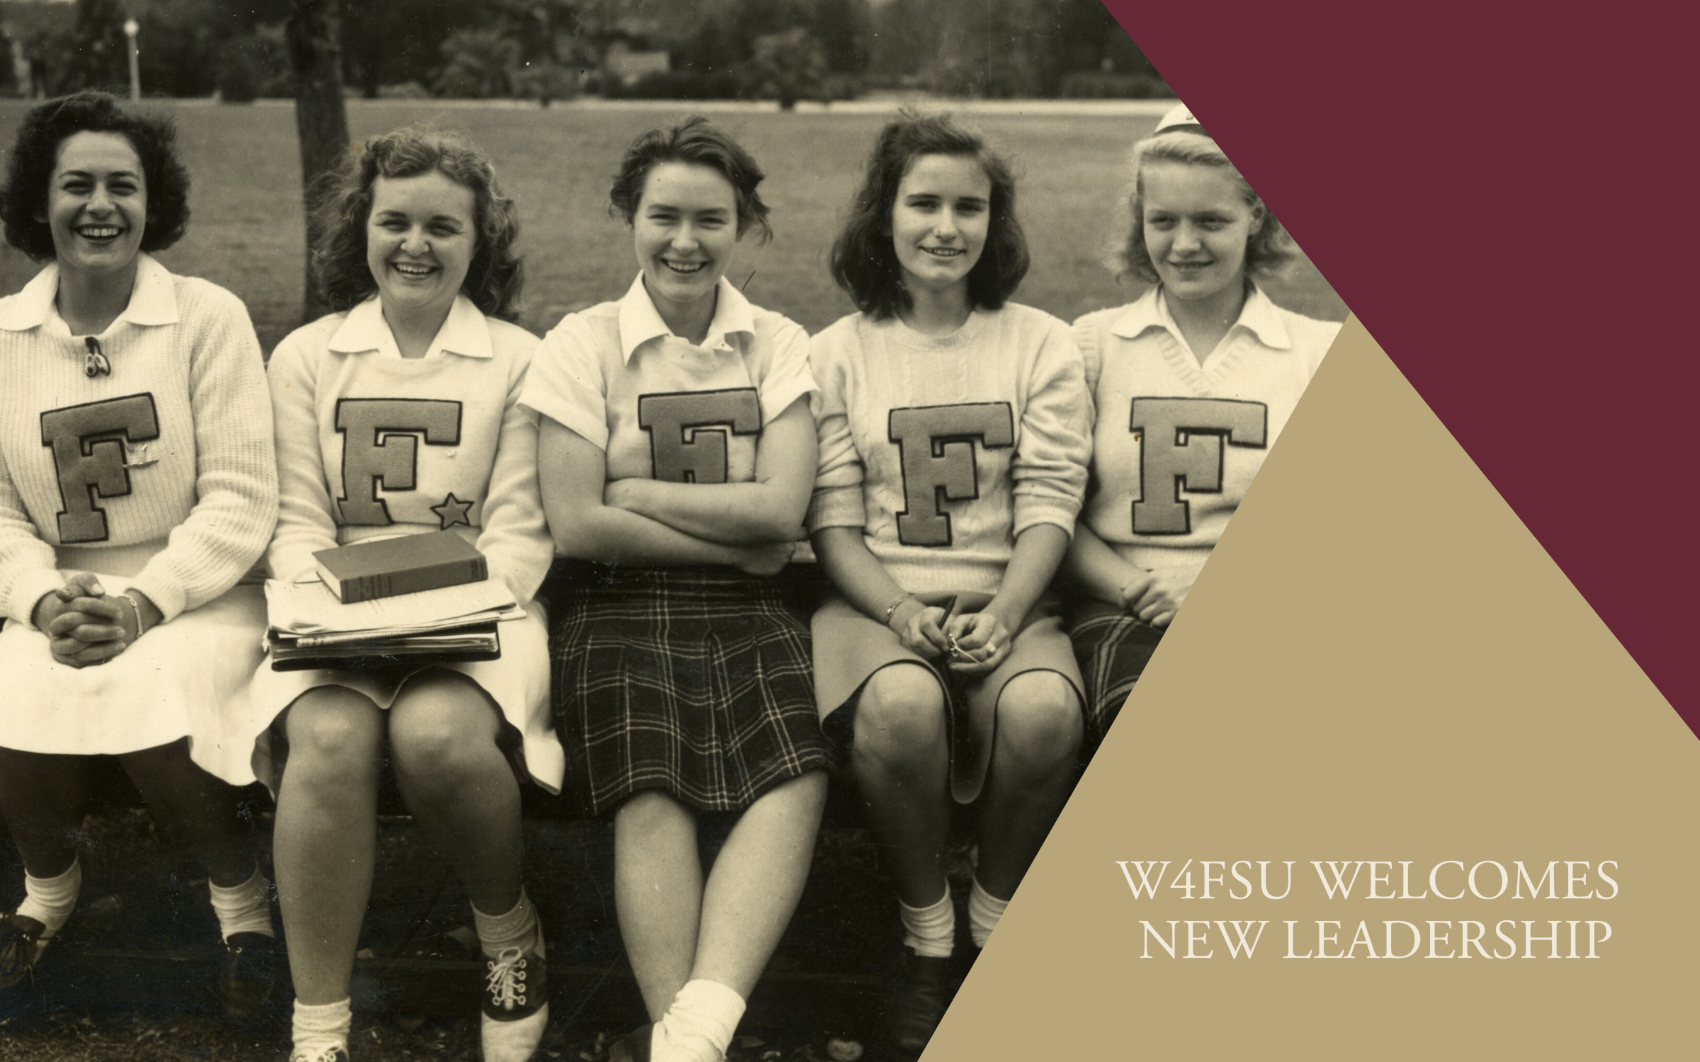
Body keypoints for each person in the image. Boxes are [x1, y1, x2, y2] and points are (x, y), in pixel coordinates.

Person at [239, 130, 560, 1062]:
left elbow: (516, 534)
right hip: (333, 624)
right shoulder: (306, 357)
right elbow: (296, 527)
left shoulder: (520, 359)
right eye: (395, 222)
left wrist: (434, 611)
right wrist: (342, 615)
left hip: (477, 619)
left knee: (437, 738)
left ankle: (510, 935)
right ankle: (320, 1027)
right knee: (330, 741)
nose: (416, 245)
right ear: (360, 229)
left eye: (442, 227)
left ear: (480, 242)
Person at [522, 116, 826, 1062]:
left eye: (711, 220)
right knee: (650, 787)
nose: (685, 242)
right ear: (628, 217)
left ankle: (692, 1034)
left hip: (752, 607)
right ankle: (685, 1045)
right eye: (663, 217)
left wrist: (640, 491)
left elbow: (784, 509)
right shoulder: (581, 342)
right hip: (614, 602)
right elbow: (578, 525)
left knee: (797, 774)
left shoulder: (777, 342)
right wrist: (731, 545)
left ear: (745, 227)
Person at [808, 112, 1090, 1061]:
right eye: (922, 201)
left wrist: (1009, 612)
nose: (945, 225)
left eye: (969, 206)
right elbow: (834, 524)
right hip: (878, 603)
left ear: (994, 221)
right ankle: (926, 939)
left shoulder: (1039, 343)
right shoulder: (839, 351)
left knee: (1048, 713)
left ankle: (995, 918)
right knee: (898, 708)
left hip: (1009, 600)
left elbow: (1052, 497)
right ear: (882, 215)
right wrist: (900, 612)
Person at [0, 91, 279, 1015]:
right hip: (56, 591)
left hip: (196, 592)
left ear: (153, 202)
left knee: (158, 691)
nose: (100, 206)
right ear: (38, 203)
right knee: (15, 688)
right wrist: (40, 601)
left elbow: (242, 496)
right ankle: (48, 888)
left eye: (123, 185)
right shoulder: (1, 338)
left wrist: (141, 605)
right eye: (75, 185)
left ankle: (244, 907)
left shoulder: (208, 317)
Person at [1065, 103, 1339, 753]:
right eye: (1163, 221)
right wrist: (1137, 589)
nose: (1184, 245)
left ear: (1257, 216)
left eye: (1211, 220)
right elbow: (1053, 516)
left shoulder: (1319, 351)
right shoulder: (1093, 344)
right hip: (1122, 609)